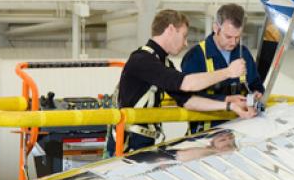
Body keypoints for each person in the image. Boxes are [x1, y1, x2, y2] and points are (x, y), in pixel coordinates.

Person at [107, 9, 255, 156]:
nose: (185, 43)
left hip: (143, 146)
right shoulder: (142, 60)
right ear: (171, 29)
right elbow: (186, 83)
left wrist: (230, 105)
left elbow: (188, 101)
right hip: (126, 148)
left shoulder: (162, 63)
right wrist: (228, 72)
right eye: (184, 36)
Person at [182, 4, 264, 134]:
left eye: (238, 37)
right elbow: (188, 99)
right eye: (228, 36)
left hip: (239, 131)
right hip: (205, 135)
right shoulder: (195, 56)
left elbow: (256, 84)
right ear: (216, 28)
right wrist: (226, 100)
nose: (233, 42)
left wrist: (256, 93)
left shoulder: (244, 53)